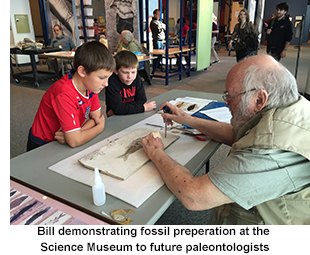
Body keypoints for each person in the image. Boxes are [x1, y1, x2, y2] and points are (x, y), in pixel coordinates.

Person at [141, 54, 310, 225]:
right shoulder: (291, 108)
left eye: (230, 96)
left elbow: (193, 195)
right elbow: (237, 134)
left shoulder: (270, 150)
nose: (227, 103)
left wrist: (156, 152)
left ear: (259, 99)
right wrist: (187, 119)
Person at [27, 41, 115, 151]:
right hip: (43, 144)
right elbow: (75, 141)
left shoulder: (91, 87)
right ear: (82, 71)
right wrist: (99, 128)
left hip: (63, 138)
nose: (106, 84)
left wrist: (76, 133)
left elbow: (96, 118)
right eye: (102, 78)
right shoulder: (64, 94)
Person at [105, 50, 156, 117]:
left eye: (133, 72)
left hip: (134, 114)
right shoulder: (111, 82)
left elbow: (142, 100)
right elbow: (117, 109)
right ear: (116, 71)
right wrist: (143, 108)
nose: (130, 76)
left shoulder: (136, 77)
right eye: (125, 72)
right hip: (117, 119)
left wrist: (122, 109)